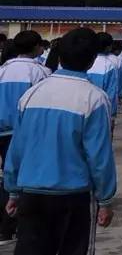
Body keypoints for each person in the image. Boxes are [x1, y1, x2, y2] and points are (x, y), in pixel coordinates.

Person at [4, 27, 116, 255]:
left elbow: (17, 148)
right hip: (72, 196)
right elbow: (99, 157)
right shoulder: (94, 99)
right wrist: (105, 199)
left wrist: (13, 190)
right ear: (92, 60)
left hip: (32, 192)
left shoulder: (32, 95)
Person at [0, 30, 47, 245]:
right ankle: (16, 223)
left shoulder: (2, 71)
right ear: (36, 47)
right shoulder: (39, 73)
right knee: (21, 179)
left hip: (2, 130)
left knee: (5, 176)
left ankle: (4, 228)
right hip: (23, 133)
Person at [86, 32, 122, 126]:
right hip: (101, 109)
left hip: (83, 106)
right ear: (108, 47)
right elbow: (112, 92)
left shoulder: (87, 60)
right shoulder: (109, 65)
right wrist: (112, 114)